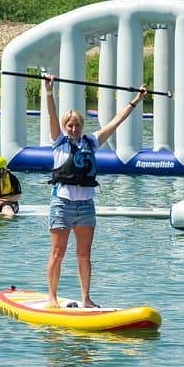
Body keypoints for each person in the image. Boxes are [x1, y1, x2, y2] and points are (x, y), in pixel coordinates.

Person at [44, 75, 147, 309]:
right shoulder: (58, 141)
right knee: (58, 252)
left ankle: (86, 299)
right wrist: (49, 90)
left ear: (82, 126)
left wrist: (136, 100)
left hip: (86, 206)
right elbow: (51, 115)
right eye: (69, 125)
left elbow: (116, 122)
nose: (73, 128)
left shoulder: (92, 141)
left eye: (77, 125)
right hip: (62, 203)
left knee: (84, 255)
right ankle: (52, 296)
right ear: (64, 127)